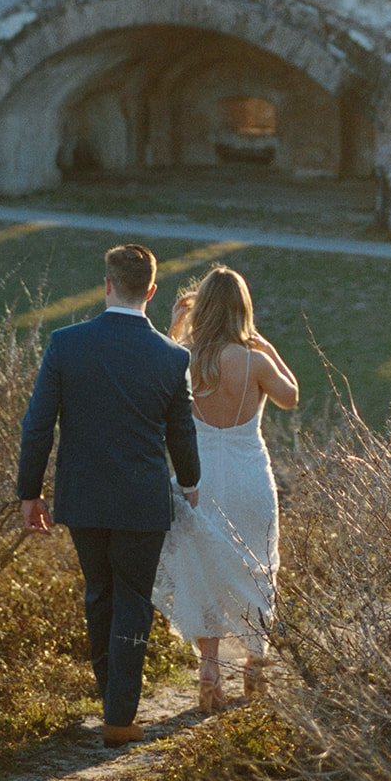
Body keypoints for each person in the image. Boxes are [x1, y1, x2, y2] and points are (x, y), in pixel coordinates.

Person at [17, 242, 200, 747]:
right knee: (134, 600)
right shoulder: (172, 356)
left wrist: (30, 492)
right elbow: (180, 433)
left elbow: (38, 426)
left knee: (99, 594)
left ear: (106, 285)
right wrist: (191, 483)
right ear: (152, 291)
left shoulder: (65, 344)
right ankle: (119, 714)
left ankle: (112, 703)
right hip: (142, 501)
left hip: (83, 496)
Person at [153, 266, 299, 711]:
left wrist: (175, 328)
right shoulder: (254, 359)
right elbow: (290, 395)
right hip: (248, 475)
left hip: (198, 478)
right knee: (257, 566)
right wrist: (267, 346)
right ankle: (255, 664)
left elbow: (155, 376)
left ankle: (210, 671)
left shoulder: (182, 357)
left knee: (203, 570)